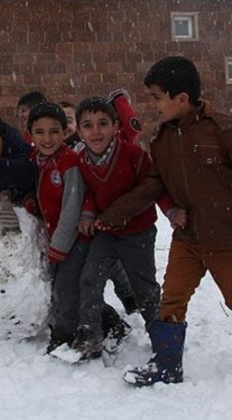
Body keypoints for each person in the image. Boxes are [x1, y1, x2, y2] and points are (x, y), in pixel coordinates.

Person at [96, 56, 232, 386]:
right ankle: (167, 364)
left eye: (156, 97)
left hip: (225, 240)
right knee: (172, 299)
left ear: (180, 99)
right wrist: (113, 215)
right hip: (187, 239)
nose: (152, 105)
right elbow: (152, 184)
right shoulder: (162, 139)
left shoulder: (222, 130)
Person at [68, 96, 163, 361]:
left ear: (115, 127)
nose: (95, 131)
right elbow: (88, 193)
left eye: (102, 124)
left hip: (138, 234)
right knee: (90, 279)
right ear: (79, 131)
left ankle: (161, 333)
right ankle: (90, 336)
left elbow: (153, 185)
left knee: (144, 288)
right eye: (88, 125)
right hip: (106, 234)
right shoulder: (82, 161)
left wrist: (172, 210)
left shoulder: (132, 155)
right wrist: (87, 213)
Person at [27, 101, 126, 353]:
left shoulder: (69, 161)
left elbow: (72, 208)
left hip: (77, 239)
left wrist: (58, 247)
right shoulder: (38, 160)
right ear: (30, 134)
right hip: (60, 238)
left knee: (65, 290)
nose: (47, 138)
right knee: (72, 288)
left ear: (65, 132)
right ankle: (111, 322)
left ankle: (64, 336)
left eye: (54, 131)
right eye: (40, 132)